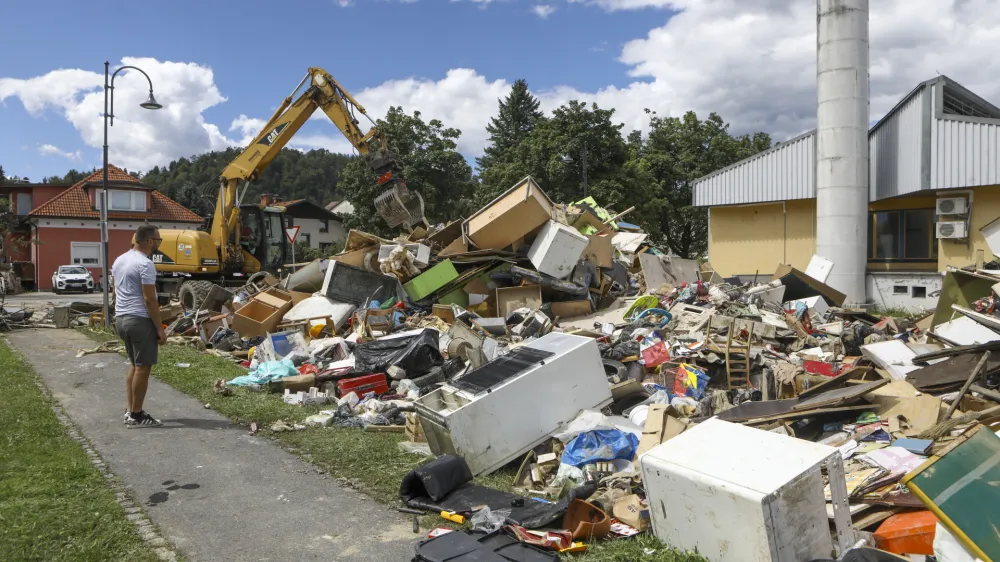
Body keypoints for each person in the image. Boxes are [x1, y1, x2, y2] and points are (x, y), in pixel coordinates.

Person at [112, 224, 167, 428]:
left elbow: (115, 290)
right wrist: (160, 328)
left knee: (135, 365)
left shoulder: (120, 260)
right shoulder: (145, 264)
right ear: (150, 241)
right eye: (158, 240)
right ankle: (136, 414)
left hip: (122, 318)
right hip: (139, 320)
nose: (158, 244)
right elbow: (149, 300)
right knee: (143, 367)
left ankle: (130, 410)